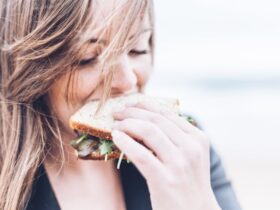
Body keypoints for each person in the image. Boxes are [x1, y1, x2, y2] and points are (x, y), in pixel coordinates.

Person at [0, 0, 241, 210]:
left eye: (138, 49)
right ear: (29, 68)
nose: (128, 81)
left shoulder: (186, 151)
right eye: (88, 59)